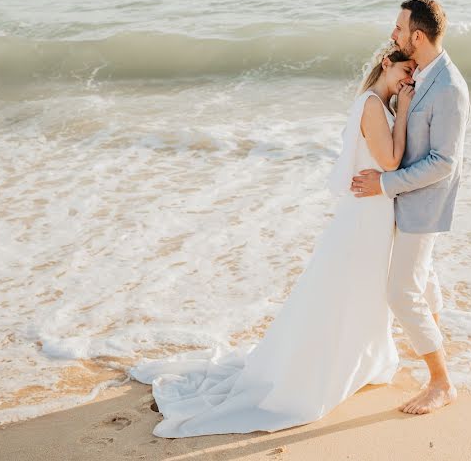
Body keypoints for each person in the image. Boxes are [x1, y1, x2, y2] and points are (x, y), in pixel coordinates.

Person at [129, 44, 418, 437]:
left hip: (373, 211)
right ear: (387, 63)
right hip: (366, 216)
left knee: (360, 291)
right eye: (406, 69)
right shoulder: (374, 105)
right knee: (346, 291)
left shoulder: (376, 102)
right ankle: (318, 369)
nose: (410, 79)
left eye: (414, 73)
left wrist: (400, 107)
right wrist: (403, 110)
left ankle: (357, 360)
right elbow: (390, 163)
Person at [351, 0, 470, 415]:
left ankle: (441, 382)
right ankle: (437, 365)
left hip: (423, 205)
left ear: (417, 36)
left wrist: (385, 184)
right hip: (404, 202)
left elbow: (444, 162)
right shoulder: (420, 73)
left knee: (401, 293)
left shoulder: (450, 88)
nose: (394, 35)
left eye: (399, 29)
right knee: (424, 283)